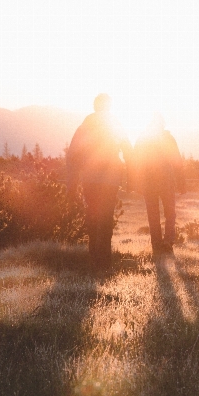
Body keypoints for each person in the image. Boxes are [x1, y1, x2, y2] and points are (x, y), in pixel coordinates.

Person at [67, 93, 131, 271]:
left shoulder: (84, 127)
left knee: (93, 216)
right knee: (105, 219)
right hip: (110, 181)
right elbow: (128, 151)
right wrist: (132, 179)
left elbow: (73, 156)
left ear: (95, 106)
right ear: (109, 107)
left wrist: (71, 186)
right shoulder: (115, 124)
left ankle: (94, 259)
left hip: (90, 180)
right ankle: (104, 262)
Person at [132, 113, 185, 255]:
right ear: (162, 124)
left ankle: (156, 245)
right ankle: (168, 243)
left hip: (149, 184)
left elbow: (135, 161)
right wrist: (181, 183)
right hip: (166, 182)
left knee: (153, 215)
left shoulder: (143, 139)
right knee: (170, 213)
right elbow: (177, 161)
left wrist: (134, 182)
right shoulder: (168, 138)